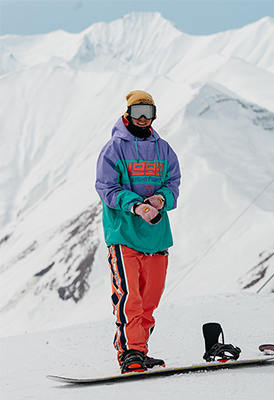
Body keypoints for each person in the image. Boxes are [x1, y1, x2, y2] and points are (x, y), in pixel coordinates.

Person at [95, 90, 181, 373]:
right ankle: (130, 352)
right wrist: (135, 206)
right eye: (137, 112)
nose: (143, 118)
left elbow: (173, 182)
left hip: (156, 235)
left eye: (148, 112)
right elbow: (106, 187)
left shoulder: (164, 149)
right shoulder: (114, 149)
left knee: (149, 300)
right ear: (127, 114)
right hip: (124, 233)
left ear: (155, 115)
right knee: (129, 296)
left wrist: (160, 200)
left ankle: (140, 350)